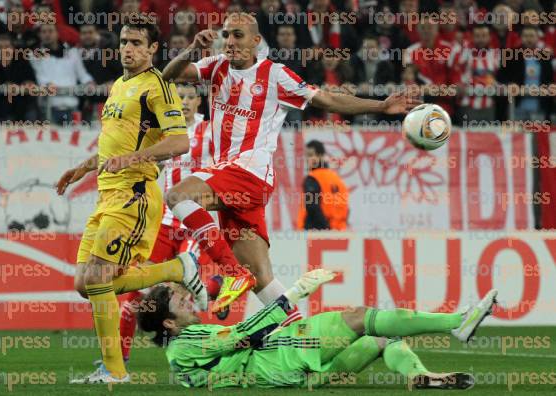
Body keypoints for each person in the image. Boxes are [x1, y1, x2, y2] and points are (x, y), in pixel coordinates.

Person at [161, 12, 420, 314]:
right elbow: (169, 75)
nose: (230, 42)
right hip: (231, 180)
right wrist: (193, 48)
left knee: (178, 195)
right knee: (261, 279)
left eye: (238, 36)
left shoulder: (275, 75)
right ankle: (298, 332)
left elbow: (327, 99)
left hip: (248, 172)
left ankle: (232, 273)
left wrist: (381, 105)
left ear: (256, 41)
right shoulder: (215, 65)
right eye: (227, 35)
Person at [55, 18, 208, 384]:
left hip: (134, 194)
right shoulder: (120, 86)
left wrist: (136, 159)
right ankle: (177, 269)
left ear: (153, 49)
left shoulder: (157, 87)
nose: (128, 48)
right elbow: (114, 147)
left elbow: (179, 142)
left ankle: (115, 371)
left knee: (98, 278)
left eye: (137, 42)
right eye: (125, 41)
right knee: (85, 284)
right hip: (106, 193)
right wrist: (83, 167)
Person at [137, 269, 498, 389]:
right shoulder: (184, 347)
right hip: (283, 357)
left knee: (382, 337)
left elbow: (233, 347)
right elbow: (240, 337)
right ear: (169, 323)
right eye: (181, 303)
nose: (190, 301)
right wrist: (293, 293)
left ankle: (422, 376)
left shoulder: (184, 350)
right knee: (359, 316)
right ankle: (457, 322)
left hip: (295, 376)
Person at [118, 83, 215, 362]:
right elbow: (153, 168)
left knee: (188, 291)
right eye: (178, 97)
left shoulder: (209, 131)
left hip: (193, 223)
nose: (184, 102)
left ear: (199, 101)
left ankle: (204, 352)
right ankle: (117, 362)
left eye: (189, 97)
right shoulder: (165, 132)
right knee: (134, 293)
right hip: (163, 224)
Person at [297, 140, 348, 231]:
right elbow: (345, 208)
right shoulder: (337, 179)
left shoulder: (312, 178)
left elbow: (312, 206)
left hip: (315, 232)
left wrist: (326, 229)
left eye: (310, 155)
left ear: (320, 155)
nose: (307, 159)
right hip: (339, 231)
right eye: (307, 156)